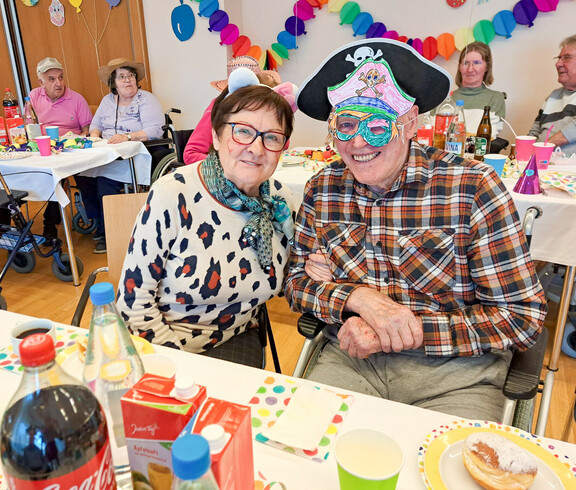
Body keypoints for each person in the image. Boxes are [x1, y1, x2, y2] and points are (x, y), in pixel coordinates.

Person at [285, 39, 547, 422]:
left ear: (410, 124)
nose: (358, 142)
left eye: (377, 125)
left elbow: (520, 315)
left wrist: (409, 330)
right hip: (353, 359)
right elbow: (296, 283)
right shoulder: (322, 189)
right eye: (346, 124)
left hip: (458, 376)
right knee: (298, 460)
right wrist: (358, 299)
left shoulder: (473, 188)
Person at [115, 67, 298, 368]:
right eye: (242, 131)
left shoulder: (280, 202)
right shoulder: (173, 194)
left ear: (283, 148)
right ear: (215, 135)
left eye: (272, 137)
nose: (255, 148)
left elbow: (295, 275)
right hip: (162, 343)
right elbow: (134, 306)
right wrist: (180, 369)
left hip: (235, 337)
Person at [75, 58, 164, 253]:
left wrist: (128, 136)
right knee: (83, 174)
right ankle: (98, 221)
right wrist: (95, 138)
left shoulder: (146, 99)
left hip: (135, 152)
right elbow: (96, 125)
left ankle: (109, 233)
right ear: (113, 83)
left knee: (104, 180)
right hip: (107, 151)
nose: (127, 80)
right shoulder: (107, 101)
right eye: (121, 77)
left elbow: (155, 130)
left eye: (130, 76)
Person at [30, 57, 93, 238]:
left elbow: (87, 130)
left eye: (60, 77)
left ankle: (50, 225)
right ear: (40, 81)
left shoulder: (77, 99)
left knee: (57, 177)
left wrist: (75, 140)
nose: (58, 83)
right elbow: (29, 124)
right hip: (41, 149)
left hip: (68, 151)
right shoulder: (34, 96)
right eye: (51, 79)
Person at [182, 56, 281, 165]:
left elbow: (283, 144)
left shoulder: (264, 107)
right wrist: (228, 165)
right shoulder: (218, 107)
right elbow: (190, 154)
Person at [529, 35, 576, 156]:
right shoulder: (553, 96)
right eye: (559, 58)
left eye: (566, 58)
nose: (558, 64)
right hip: (542, 163)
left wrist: (542, 149)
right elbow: (534, 133)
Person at [452, 41, 506, 138]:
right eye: (465, 63)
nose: (470, 69)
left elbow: (486, 137)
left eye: (476, 63)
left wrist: (455, 135)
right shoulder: (445, 98)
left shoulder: (495, 98)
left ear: (486, 67)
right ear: (459, 67)